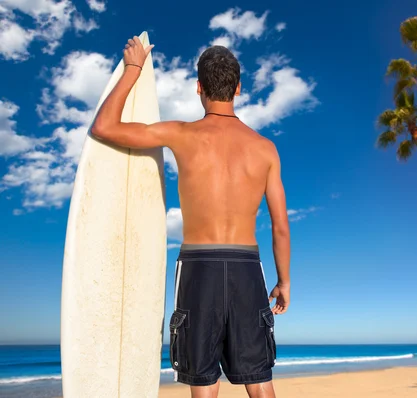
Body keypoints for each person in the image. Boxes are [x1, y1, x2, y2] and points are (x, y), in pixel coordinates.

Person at [91, 36, 291, 398]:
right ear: (238, 88)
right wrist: (284, 281)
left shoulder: (180, 134)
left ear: (199, 87)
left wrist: (133, 69)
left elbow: (104, 127)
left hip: (199, 265)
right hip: (247, 266)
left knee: (203, 383)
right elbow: (280, 226)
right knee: (259, 380)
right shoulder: (265, 149)